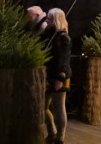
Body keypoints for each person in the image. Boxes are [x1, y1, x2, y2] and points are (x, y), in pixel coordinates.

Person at [44, 8, 71, 144]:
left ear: (55, 19)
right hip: (49, 76)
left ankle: (60, 137)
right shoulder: (50, 35)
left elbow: (64, 59)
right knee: (43, 108)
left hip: (60, 76)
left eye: (49, 17)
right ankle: (52, 132)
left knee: (59, 108)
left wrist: (61, 77)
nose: (46, 19)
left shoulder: (63, 37)